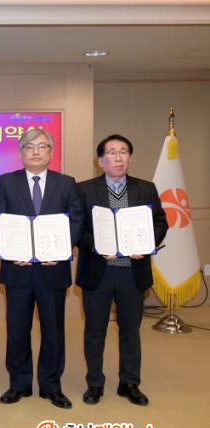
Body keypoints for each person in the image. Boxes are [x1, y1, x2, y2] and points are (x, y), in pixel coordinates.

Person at [0, 129, 83, 409]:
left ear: (51, 152)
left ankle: (51, 386)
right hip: (17, 269)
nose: (36, 151)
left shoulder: (66, 183)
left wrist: (62, 250)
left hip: (52, 269)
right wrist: (11, 249)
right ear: (21, 153)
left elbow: (76, 220)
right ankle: (19, 384)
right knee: (17, 329)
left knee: (53, 330)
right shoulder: (6, 181)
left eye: (42, 146)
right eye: (29, 146)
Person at [76, 134, 168, 406]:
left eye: (124, 152)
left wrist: (147, 243)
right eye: (112, 152)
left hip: (132, 271)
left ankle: (129, 383)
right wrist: (96, 246)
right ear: (100, 160)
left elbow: (160, 222)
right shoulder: (84, 190)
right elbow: (77, 228)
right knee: (95, 331)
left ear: (130, 158)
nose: (118, 157)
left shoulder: (145, 188)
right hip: (98, 271)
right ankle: (95, 383)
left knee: (130, 330)